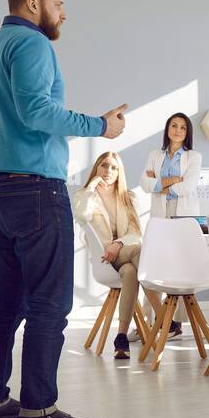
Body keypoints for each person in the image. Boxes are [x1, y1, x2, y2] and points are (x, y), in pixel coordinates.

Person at [0, 0, 125, 418]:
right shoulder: (34, 44)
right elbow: (37, 111)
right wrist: (101, 125)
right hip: (36, 191)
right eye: (58, 4)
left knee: (7, 302)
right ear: (34, 4)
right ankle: (39, 413)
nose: (63, 14)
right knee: (49, 303)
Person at [72, 152, 144, 359]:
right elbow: (81, 215)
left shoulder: (128, 198)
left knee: (130, 271)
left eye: (114, 168)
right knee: (139, 254)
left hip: (125, 256)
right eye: (104, 166)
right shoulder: (84, 195)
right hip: (104, 260)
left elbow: (135, 233)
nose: (108, 171)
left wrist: (117, 244)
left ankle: (121, 337)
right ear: (96, 167)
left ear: (119, 172)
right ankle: (163, 310)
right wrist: (91, 187)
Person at [139, 112, 202, 338]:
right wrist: (173, 180)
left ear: (187, 133)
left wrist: (160, 184)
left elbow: (189, 186)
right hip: (160, 215)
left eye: (183, 127)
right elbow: (144, 184)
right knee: (155, 266)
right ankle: (150, 322)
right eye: (174, 126)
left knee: (180, 267)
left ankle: (175, 321)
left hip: (183, 216)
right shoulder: (155, 155)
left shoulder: (194, 157)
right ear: (167, 129)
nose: (177, 130)